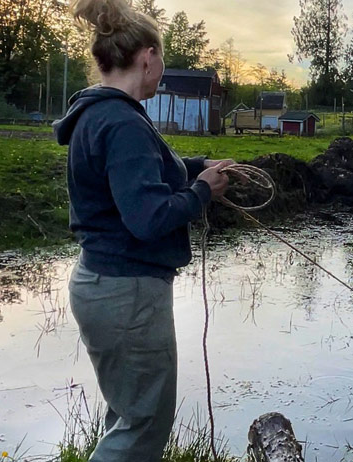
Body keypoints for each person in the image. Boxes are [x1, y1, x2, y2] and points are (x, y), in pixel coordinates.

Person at [52, 0, 232, 459]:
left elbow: (138, 175)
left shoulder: (99, 114)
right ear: (148, 56)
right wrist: (202, 193)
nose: (162, 71)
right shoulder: (123, 121)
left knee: (128, 415)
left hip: (105, 284)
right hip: (126, 293)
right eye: (162, 60)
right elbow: (148, 219)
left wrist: (196, 167)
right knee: (144, 424)